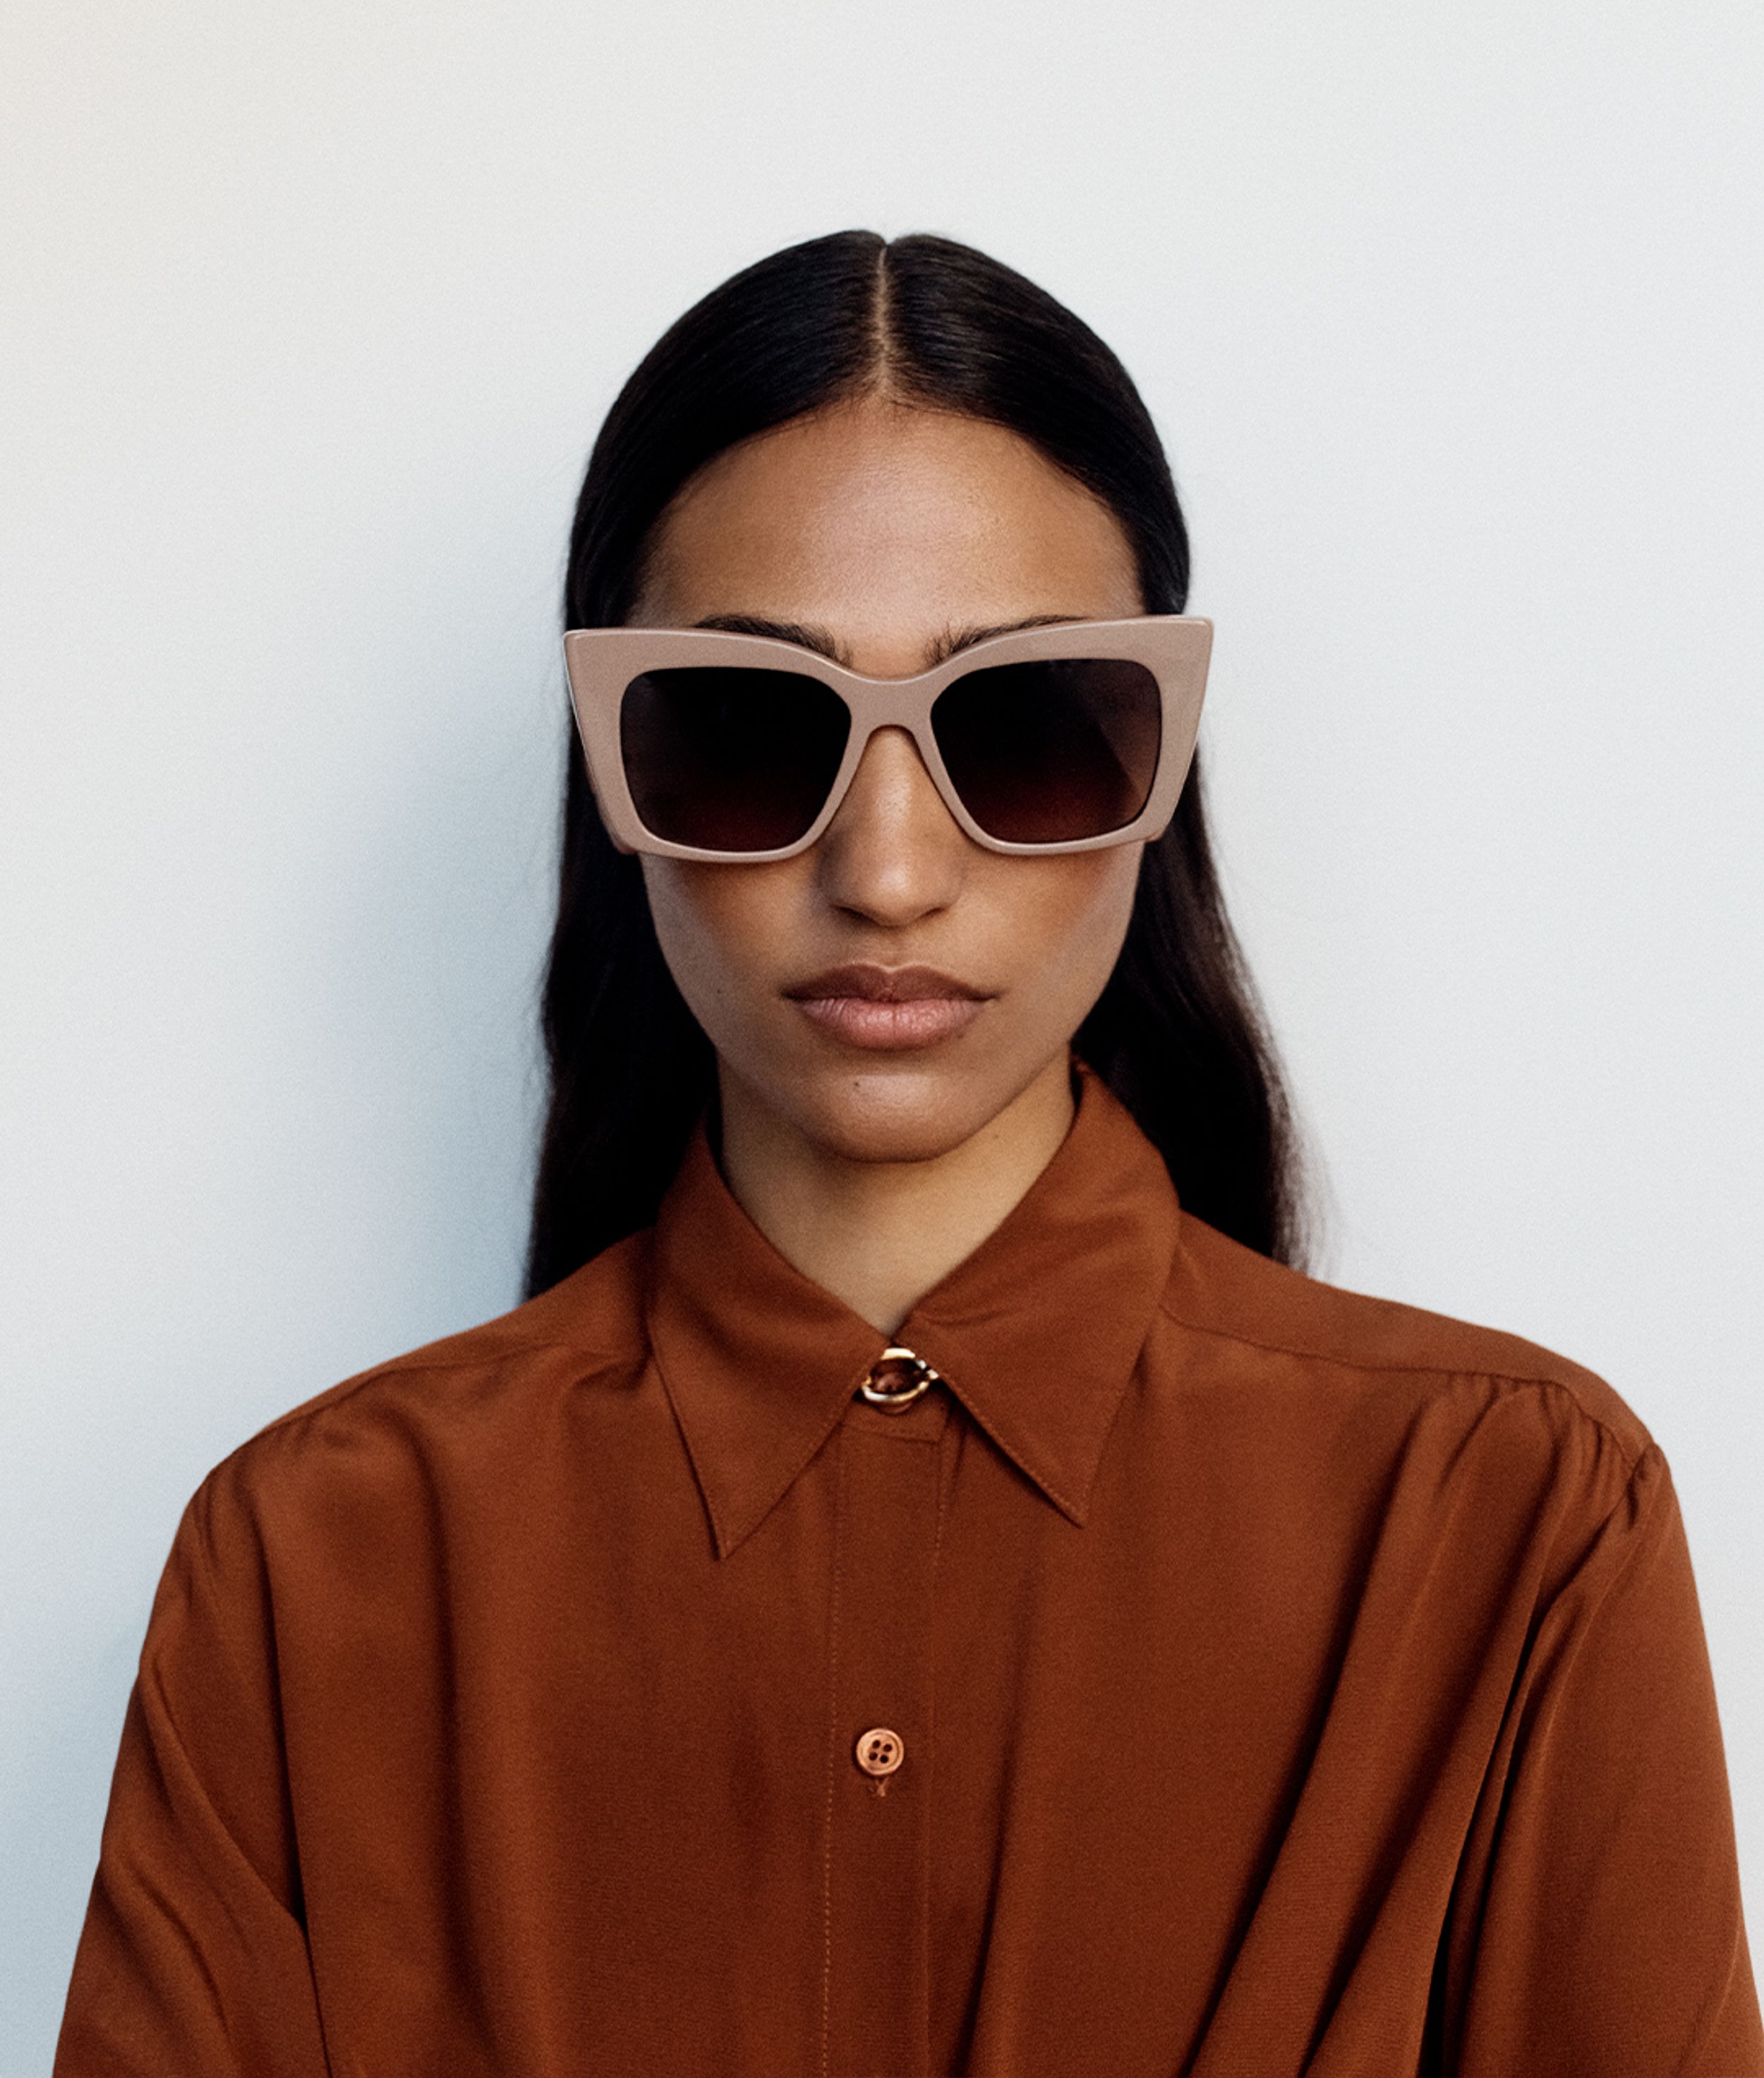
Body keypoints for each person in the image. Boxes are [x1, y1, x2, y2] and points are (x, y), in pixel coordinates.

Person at [55, 231, 1761, 2078]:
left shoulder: (1510, 1522)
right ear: (607, 768)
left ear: (1161, 763)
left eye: (1022, 729)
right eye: (740, 729)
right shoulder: (311, 1566)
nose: (883, 869)